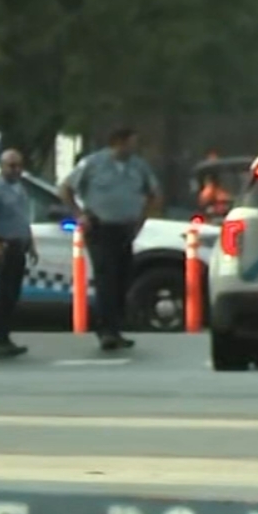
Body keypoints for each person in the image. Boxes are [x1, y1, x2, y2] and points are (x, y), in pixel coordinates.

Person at [59, 127, 162, 351]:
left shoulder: (138, 166)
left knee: (122, 278)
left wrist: (140, 221)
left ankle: (116, 328)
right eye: (132, 142)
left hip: (125, 229)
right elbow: (66, 188)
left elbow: (153, 193)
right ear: (118, 142)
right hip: (100, 228)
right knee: (106, 277)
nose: (135, 147)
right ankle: (106, 331)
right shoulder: (93, 164)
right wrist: (80, 215)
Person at [0, 149, 36, 359]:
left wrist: (31, 244)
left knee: (12, 295)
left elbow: (22, 219)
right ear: (2, 166)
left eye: (19, 165)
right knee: (2, 295)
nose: (17, 170)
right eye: (12, 165)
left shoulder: (19, 188)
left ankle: (5, 338)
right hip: (3, 247)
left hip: (18, 246)